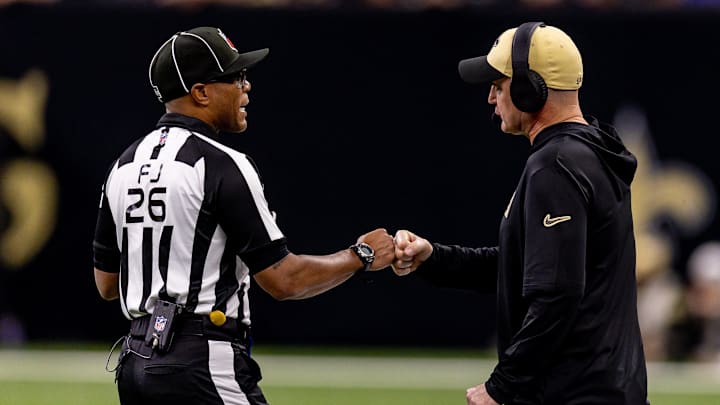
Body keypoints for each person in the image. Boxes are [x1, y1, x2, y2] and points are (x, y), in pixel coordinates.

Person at [92, 26, 394, 405]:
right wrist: (360, 256)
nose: (246, 86)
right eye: (235, 77)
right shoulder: (223, 164)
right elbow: (284, 280)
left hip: (136, 359)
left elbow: (106, 284)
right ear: (200, 92)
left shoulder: (122, 165)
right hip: (201, 359)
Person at [392, 22, 648, 404]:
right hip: (604, 388)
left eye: (498, 85)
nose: (491, 99)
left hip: (574, 394)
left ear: (530, 88)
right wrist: (434, 258)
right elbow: (527, 267)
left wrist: (502, 386)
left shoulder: (555, 165)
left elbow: (557, 293)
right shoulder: (588, 154)